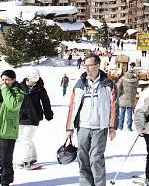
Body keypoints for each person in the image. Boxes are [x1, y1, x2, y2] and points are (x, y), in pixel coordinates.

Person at [65, 53, 118, 186]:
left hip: (100, 127)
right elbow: (73, 106)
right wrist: (69, 127)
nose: (87, 68)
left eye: (90, 65)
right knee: (83, 158)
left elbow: (114, 106)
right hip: (83, 126)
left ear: (98, 65)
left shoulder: (108, 83)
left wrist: (112, 127)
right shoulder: (80, 84)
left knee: (96, 159)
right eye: (85, 65)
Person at [16, 69, 53, 169]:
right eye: (32, 78)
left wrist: (48, 114)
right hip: (21, 116)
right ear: (27, 77)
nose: (34, 81)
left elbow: (46, 102)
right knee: (25, 138)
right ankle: (32, 157)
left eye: (36, 78)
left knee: (26, 138)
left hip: (34, 116)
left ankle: (25, 160)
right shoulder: (19, 87)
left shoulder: (40, 88)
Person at [115, 64, 139, 131]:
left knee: (122, 113)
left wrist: (119, 94)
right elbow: (136, 87)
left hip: (123, 98)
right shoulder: (135, 80)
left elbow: (118, 88)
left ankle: (120, 126)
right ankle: (129, 127)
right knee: (130, 114)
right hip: (131, 99)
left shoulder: (122, 79)